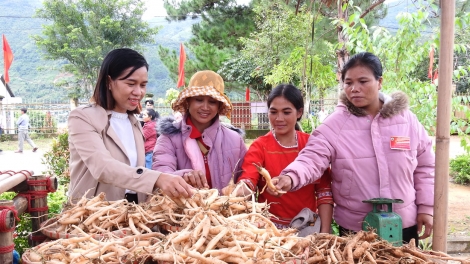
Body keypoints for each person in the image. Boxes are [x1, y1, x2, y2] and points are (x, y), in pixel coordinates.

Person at [273, 52, 435, 245]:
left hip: (404, 225)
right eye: (348, 83)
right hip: (356, 229)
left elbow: (426, 167)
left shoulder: (406, 120)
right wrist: (291, 176)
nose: (355, 89)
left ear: (379, 81)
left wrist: (426, 208)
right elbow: (311, 158)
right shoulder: (335, 125)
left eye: (363, 81)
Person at [68, 48, 193, 204]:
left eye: (143, 85)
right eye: (131, 83)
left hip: (132, 214)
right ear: (109, 82)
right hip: (92, 217)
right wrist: (157, 178)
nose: (138, 92)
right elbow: (102, 167)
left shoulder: (134, 122)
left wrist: (177, 178)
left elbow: (135, 173)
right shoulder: (83, 117)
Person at [233, 84, 334, 233]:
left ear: (299, 112)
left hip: (307, 227)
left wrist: (324, 233)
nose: (279, 118)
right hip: (269, 230)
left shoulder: (312, 145)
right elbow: (249, 180)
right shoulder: (260, 146)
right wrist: (236, 194)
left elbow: (324, 192)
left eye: (286, 112)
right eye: (273, 112)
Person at [153, 70, 247, 192]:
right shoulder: (169, 138)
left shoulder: (234, 139)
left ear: (219, 106)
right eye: (199, 100)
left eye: (212, 102)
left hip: (227, 209)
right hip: (185, 209)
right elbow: (161, 171)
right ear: (188, 101)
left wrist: (245, 186)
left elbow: (247, 172)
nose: (205, 107)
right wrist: (184, 175)